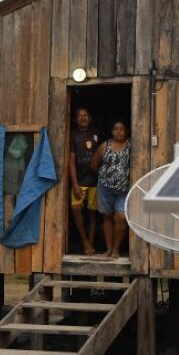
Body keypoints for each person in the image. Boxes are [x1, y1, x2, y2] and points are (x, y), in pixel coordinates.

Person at [91, 120, 131, 258]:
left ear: (127, 132)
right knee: (107, 217)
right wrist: (105, 178)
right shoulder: (105, 146)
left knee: (121, 217)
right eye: (116, 128)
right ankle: (108, 249)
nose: (118, 131)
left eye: (121, 129)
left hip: (124, 189)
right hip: (105, 188)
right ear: (112, 131)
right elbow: (94, 165)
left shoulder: (131, 145)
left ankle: (116, 249)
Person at [69, 106, 100, 255]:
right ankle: (85, 242)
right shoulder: (72, 135)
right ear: (75, 119)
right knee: (76, 209)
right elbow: (71, 161)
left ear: (90, 118)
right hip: (79, 181)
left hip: (95, 181)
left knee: (92, 213)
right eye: (79, 115)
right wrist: (74, 184)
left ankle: (91, 244)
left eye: (85, 115)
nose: (83, 117)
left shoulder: (97, 134)